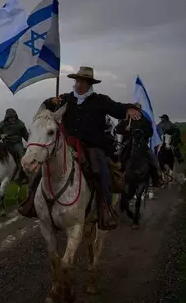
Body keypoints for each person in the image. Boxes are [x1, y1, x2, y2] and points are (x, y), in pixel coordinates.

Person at [18, 66, 141, 230]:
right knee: (42, 168)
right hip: (67, 144)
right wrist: (50, 102)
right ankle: (31, 201)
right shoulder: (65, 99)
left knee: (101, 170)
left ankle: (105, 209)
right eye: (77, 81)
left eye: (83, 81)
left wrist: (130, 108)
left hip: (92, 145)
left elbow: (117, 108)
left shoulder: (100, 100)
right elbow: (45, 108)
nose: (79, 84)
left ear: (90, 84)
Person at [114, 102, 164, 187]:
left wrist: (142, 134)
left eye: (138, 109)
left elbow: (150, 133)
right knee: (118, 155)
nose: (137, 111)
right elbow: (117, 130)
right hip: (128, 143)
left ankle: (157, 178)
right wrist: (125, 129)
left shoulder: (144, 121)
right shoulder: (127, 120)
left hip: (141, 144)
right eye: (135, 109)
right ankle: (117, 176)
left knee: (152, 158)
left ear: (140, 110)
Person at [0, 108, 29, 181]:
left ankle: (24, 174)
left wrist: (32, 143)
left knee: (22, 155)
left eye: (14, 117)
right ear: (7, 118)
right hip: (6, 143)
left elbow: (26, 135)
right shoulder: (1, 125)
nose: (12, 119)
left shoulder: (20, 124)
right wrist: (0, 136)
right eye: (10, 118)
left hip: (17, 143)